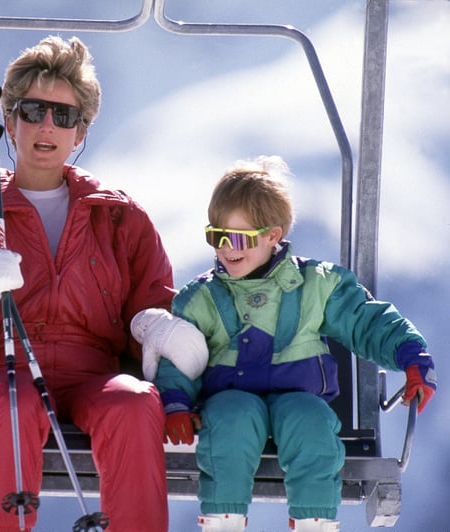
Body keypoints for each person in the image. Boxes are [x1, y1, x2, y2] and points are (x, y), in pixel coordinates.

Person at [0, 36, 204, 531]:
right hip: (1, 366)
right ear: (9, 122)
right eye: (33, 110)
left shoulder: (117, 217)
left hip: (94, 372)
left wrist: (157, 327)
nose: (47, 126)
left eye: (63, 116)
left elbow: (150, 302)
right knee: (13, 404)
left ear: (81, 131)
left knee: (134, 403)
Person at [131, 155, 437, 532]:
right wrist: (175, 404)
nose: (226, 249)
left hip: (299, 397)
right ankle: (222, 520)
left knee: (312, 425)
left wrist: (409, 355)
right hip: (230, 399)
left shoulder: (315, 285)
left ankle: (314, 522)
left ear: (273, 235)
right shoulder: (204, 297)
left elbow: (366, 319)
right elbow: (179, 353)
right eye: (216, 236)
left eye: (238, 238)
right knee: (230, 420)